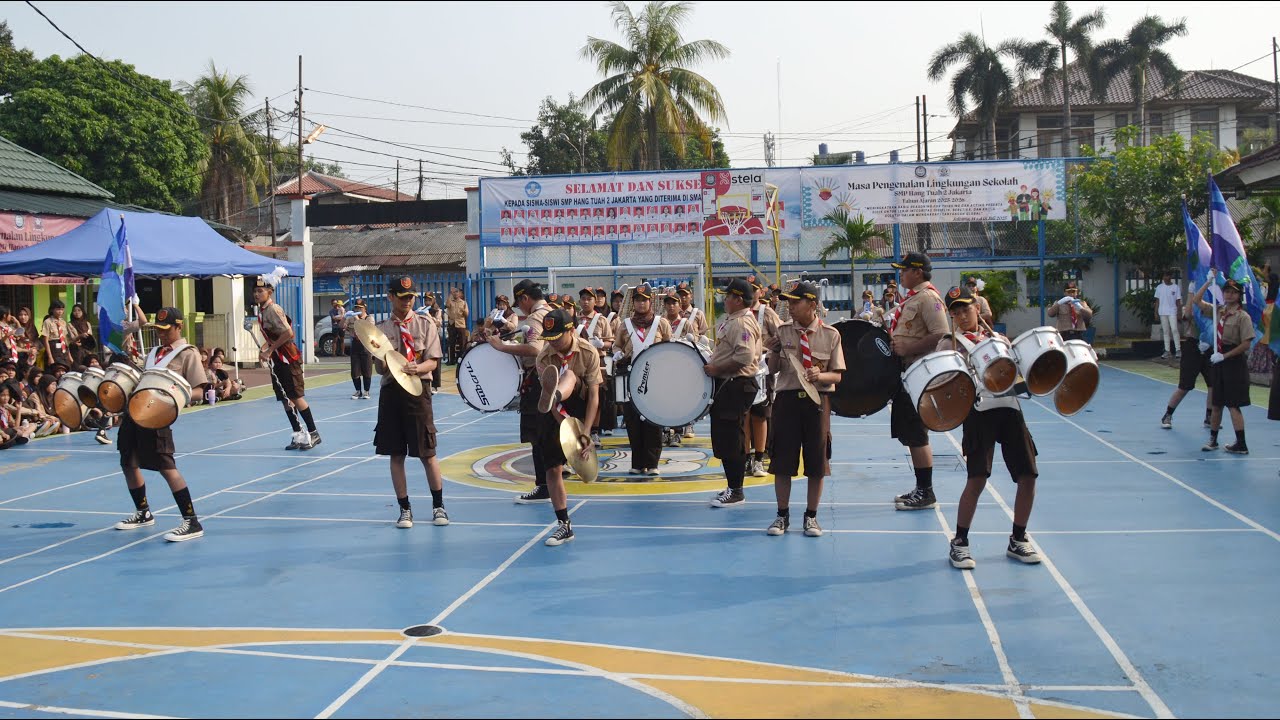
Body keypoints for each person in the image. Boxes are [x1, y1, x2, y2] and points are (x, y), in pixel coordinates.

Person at [938, 286, 1043, 569]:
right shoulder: (949, 345)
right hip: (978, 413)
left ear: (977, 308)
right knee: (977, 479)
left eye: (965, 308)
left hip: (1009, 409)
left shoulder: (999, 340)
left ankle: (1018, 539)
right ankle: (959, 542)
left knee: (1028, 475)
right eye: (955, 311)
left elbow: (1019, 377)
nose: (961, 315)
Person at [111, 307, 211, 542]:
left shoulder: (188, 353)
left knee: (166, 467)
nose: (161, 335)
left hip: (158, 416)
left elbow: (200, 391)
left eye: (166, 330)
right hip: (135, 412)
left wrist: (173, 394)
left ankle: (191, 521)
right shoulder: (154, 352)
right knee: (128, 462)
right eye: (158, 330)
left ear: (179, 327)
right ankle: (143, 512)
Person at [366, 276, 450, 529]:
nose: (407, 301)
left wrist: (417, 367)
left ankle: (438, 506)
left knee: (427, 452)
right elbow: (381, 370)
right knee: (396, 453)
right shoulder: (380, 329)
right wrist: (376, 354)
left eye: (411, 297)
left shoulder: (425, 324)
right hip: (392, 391)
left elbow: (433, 361)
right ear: (390, 297)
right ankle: (404, 509)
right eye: (402, 297)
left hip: (418, 391)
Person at [763, 281, 844, 537]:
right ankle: (782, 515)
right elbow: (774, 369)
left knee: (816, 461)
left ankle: (811, 516)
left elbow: (838, 376)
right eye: (789, 302)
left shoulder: (831, 334)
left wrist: (821, 374)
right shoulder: (783, 331)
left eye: (796, 302)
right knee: (782, 460)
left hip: (817, 403)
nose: (791, 307)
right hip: (787, 401)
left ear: (812, 304)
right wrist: (773, 352)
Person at [533, 308, 602, 546]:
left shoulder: (588, 352)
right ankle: (564, 524)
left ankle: (558, 391)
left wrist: (585, 433)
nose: (552, 344)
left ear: (571, 330)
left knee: (571, 374)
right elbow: (549, 403)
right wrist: (564, 426)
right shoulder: (543, 358)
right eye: (548, 338)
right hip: (553, 410)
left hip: (580, 404)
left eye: (556, 338)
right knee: (552, 468)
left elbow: (594, 396)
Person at [887, 252, 949, 511]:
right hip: (907, 373)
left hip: (918, 373)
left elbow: (941, 334)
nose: (900, 274)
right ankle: (921, 487)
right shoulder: (912, 298)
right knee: (911, 433)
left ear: (918, 271)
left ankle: (926, 491)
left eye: (904, 270)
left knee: (917, 433)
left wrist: (909, 347)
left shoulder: (929, 298)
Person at [489, 280, 553, 504]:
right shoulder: (553, 312)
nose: (520, 309)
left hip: (538, 381)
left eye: (520, 304)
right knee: (549, 435)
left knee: (538, 436)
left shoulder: (536, 317)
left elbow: (536, 349)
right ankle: (553, 482)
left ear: (526, 299)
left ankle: (543, 486)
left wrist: (503, 347)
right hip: (554, 380)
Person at [705, 278, 762, 508]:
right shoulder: (736, 320)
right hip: (730, 384)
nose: (724, 300)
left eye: (727, 296)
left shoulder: (741, 323)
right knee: (727, 436)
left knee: (732, 438)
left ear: (738, 299)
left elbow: (744, 357)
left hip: (735, 384)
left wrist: (717, 368)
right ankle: (732, 486)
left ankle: (737, 491)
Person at [253, 272, 320, 451]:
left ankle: (313, 433)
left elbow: (288, 333)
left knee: (296, 397)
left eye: (260, 291)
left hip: (288, 359)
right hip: (277, 360)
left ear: (270, 292)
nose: (257, 294)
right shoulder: (263, 311)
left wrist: (271, 349)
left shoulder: (274, 309)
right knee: (285, 399)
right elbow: (273, 335)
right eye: (255, 291)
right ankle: (298, 434)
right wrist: (265, 349)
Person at [613, 284, 673, 475]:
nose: (641, 303)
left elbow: (669, 348)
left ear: (650, 301)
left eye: (644, 300)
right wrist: (616, 354)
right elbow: (617, 346)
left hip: (655, 376)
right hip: (632, 375)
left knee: (652, 418)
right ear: (633, 303)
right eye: (638, 300)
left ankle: (653, 463)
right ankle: (638, 463)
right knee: (632, 418)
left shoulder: (661, 323)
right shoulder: (626, 324)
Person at [1193, 273, 1253, 454]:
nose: (1229, 295)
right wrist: (1209, 281)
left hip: (1233, 362)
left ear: (1239, 296)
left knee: (1233, 404)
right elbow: (1197, 301)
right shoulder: (1218, 311)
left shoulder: (1243, 317)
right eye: (1226, 291)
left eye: (1233, 292)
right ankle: (1213, 439)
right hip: (1218, 360)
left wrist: (1225, 356)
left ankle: (1241, 443)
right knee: (1216, 403)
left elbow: (1246, 343)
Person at [1160, 290, 1214, 430]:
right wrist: (1190, 292)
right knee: (1185, 386)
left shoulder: (1215, 307)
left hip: (1210, 348)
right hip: (1193, 347)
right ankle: (1168, 414)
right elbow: (1188, 315)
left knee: (1213, 385)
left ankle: (1209, 417)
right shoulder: (1193, 306)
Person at [746, 277, 782, 477]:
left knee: (760, 415)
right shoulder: (737, 314)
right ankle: (746, 457)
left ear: (760, 291)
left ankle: (759, 457)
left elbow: (782, 332)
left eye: (754, 290)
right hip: (742, 369)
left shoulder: (766, 313)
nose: (750, 294)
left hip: (762, 368)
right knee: (744, 415)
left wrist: (771, 351)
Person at [577, 287, 613, 446]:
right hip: (578, 361)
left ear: (594, 301)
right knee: (579, 396)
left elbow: (611, 342)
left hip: (598, 360)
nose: (586, 302)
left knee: (596, 395)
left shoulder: (601, 320)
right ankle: (580, 429)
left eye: (589, 299)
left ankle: (595, 431)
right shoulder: (575, 319)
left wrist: (601, 344)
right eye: (583, 299)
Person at [346, 299, 373, 399]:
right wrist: (345, 318)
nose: (358, 309)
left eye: (360, 308)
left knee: (367, 369)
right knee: (355, 370)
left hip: (365, 344)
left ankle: (366, 391)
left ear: (365, 308)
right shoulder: (352, 318)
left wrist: (357, 318)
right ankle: (358, 391)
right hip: (355, 345)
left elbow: (366, 329)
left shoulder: (369, 318)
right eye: (356, 307)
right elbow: (341, 327)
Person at [1153, 271, 1182, 360]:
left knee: (1174, 329)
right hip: (1162, 312)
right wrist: (1156, 312)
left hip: (1172, 311)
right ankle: (1167, 351)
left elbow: (1178, 301)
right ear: (1163, 277)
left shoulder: (1176, 287)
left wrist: (1179, 312)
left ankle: (1178, 350)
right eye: (1165, 276)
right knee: (1165, 331)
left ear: (1171, 276)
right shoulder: (1159, 287)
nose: (1166, 277)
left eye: (1168, 275)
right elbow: (1157, 301)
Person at [41, 300, 74, 371]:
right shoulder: (48, 322)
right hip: (53, 348)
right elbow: (45, 340)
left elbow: (65, 340)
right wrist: (50, 357)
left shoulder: (63, 322)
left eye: (62, 309)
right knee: (56, 370)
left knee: (66, 369)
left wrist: (69, 356)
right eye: (58, 309)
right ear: (52, 310)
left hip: (63, 350)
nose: (60, 312)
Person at [446, 287, 470, 364]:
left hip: (460, 324)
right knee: (451, 342)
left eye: (457, 292)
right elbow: (447, 305)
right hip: (452, 323)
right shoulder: (450, 301)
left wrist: (463, 310)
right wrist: (450, 294)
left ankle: (461, 359)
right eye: (454, 292)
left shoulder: (463, 303)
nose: (456, 293)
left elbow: (467, 314)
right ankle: (451, 360)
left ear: (459, 293)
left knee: (462, 342)